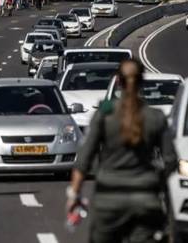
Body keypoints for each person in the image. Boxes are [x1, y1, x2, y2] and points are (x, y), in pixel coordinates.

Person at [66, 59, 178, 243]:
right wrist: (155, 180)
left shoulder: (104, 113)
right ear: (142, 81)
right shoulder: (156, 117)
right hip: (146, 200)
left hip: (109, 201)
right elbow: (171, 160)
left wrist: (74, 195)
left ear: (118, 81)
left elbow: (83, 159)